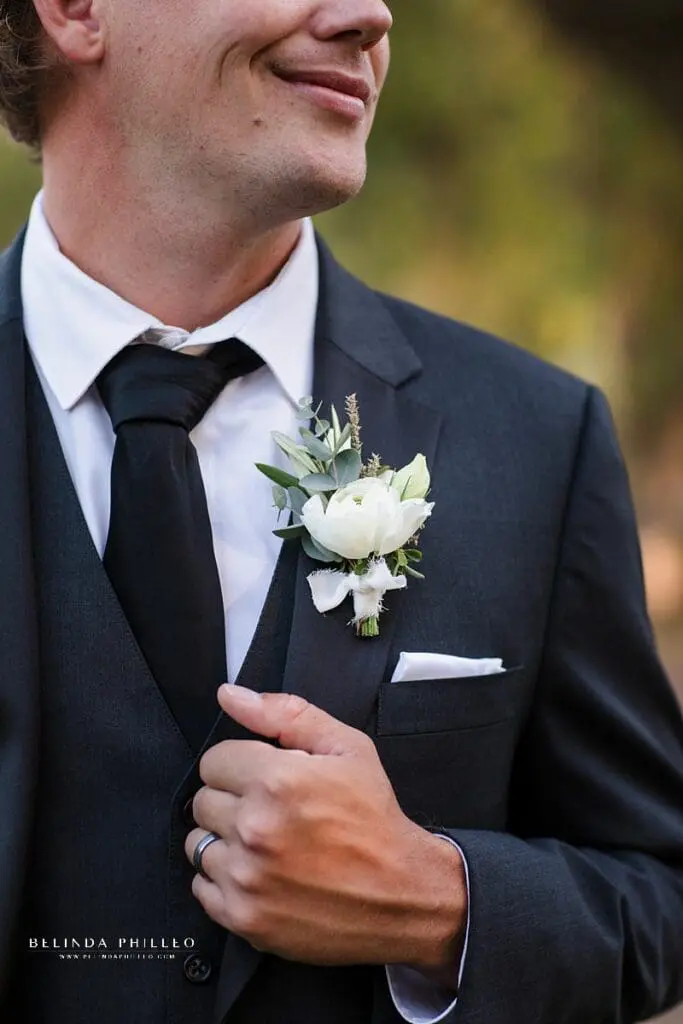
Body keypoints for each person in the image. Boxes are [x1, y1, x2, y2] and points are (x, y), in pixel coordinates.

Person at [0, 0, 682, 1022]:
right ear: (78, 11)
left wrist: (437, 900)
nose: (370, 14)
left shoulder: (537, 437)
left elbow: (659, 893)